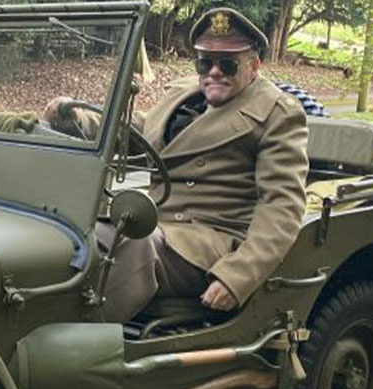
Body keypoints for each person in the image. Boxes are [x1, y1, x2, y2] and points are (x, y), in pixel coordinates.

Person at [45, 8, 309, 322]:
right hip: (154, 221)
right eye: (204, 62)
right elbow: (141, 132)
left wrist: (238, 276)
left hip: (209, 237)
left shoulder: (276, 112)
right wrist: (80, 119)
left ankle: (78, 338)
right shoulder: (184, 93)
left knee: (135, 246)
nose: (214, 72)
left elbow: (282, 206)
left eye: (227, 64)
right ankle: (29, 317)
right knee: (75, 234)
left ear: (254, 65)